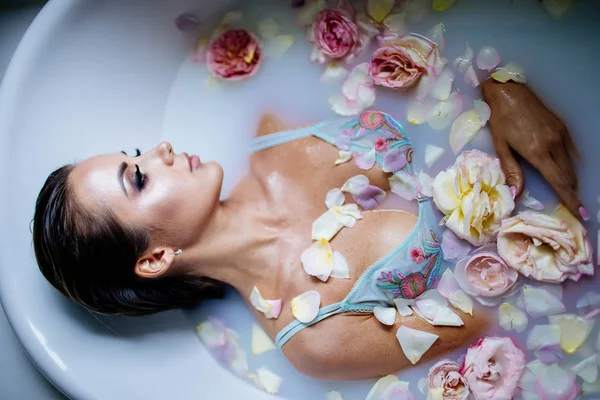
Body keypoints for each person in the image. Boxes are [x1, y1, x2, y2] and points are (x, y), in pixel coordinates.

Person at [32, 79, 585, 380]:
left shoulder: (272, 126)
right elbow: (497, 322)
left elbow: (423, 64)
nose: (161, 150)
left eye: (136, 152)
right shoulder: (318, 341)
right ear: (153, 259)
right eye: (138, 177)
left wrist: (502, 89)